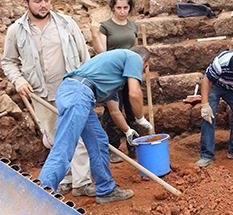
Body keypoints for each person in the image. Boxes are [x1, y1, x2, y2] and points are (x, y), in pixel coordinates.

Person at [1, 0, 95, 197]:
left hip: (71, 89)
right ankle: (66, 177)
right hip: (40, 93)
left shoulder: (66, 23)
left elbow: (84, 55)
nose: (44, 5)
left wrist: (86, 82)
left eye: (46, 0)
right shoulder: (17, 30)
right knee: (52, 137)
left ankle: (82, 182)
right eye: (38, 1)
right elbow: (8, 62)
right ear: (26, 3)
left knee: (76, 135)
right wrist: (18, 81)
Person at [38, 46, 154, 204]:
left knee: (99, 140)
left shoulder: (110, 77)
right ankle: (41, 195)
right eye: (145, 67)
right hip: (78, 94)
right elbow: (134, 93)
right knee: (64, 147)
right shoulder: (133, 57)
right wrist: (140, 118)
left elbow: (114, 111)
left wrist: (128, 131)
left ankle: (106, 190)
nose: (142, 70)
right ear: (144, 61)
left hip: (81, 96)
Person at [90, 0, 140, 163]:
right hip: (111, 75)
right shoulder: (106, 26)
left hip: (130, 74)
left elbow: (136, 50)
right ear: (113, 8)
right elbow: (101, 51)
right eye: (118, 7)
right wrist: (94, 34)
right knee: (112, 111)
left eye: (126, 7)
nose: (122, 11)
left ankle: (135, 145)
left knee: (132, 109)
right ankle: (113, 148)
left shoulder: (133, 26)